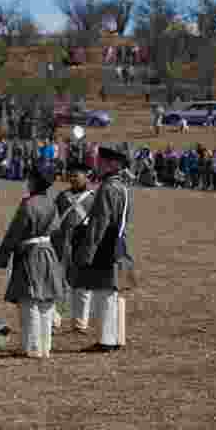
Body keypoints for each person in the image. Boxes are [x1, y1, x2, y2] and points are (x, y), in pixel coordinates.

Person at [0, 165, 64, 359]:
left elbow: (14, 233)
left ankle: (32, 347)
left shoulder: (28, 204)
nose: (27, 182)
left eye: (30, 179)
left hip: (30, 254)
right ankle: (45, 347)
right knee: (46, 302)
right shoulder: (51, 204)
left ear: (34, 182)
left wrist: (3, 256)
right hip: (48, 253)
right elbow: (57, 231)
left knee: (29, 302)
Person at [73, 145, 134, 353]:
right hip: (116, 242)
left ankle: (106, 340)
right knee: (112, 294)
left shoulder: (108, 188)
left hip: (105, 244)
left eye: (100, 162)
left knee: (104, 293)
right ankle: (116, 336)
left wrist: (86, 252)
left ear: (111, 165)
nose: (96, 165)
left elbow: (99, 223)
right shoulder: (122, 187)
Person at [52, 162, 95, 334]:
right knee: (58, 283)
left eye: (76, 175)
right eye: (71, 175)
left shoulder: (93, 198)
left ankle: (80, 322)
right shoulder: (62, 197)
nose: (73, 178)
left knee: (82, 284)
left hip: (83, 243)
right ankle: (54, 319)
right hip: (63, 243)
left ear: (86, 176)